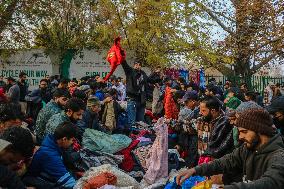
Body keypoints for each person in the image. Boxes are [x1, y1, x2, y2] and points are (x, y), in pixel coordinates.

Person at [176, 109, 284, 189]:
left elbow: (270, 182)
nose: (240, 137)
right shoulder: (248, 148)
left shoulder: (279, 156)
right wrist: (195, 170)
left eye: (244, 132)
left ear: (260, 130)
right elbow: (226, 161)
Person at [26, 122, 77, 189]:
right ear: (64, 139)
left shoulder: (53, 143)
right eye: (72, 140)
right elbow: (71, 184)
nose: (73, 142)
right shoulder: (50, 155)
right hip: (39, 181)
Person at [121, 60, 148, 126]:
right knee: (132, 123)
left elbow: (149, 80)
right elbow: (124, 64)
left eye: (139, 64)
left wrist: (157, 74)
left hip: (141, 101)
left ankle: (140, 136)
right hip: (132, 99)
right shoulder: (130, 71)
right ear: (134, 66)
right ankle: (131, 135)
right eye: (136, 64)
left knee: (141, 123)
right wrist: (121, 56)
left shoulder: (143, 74)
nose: (137, 66)